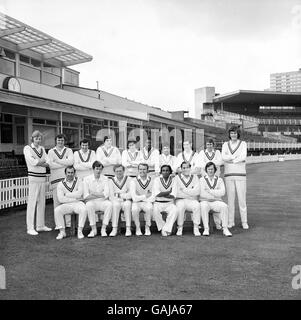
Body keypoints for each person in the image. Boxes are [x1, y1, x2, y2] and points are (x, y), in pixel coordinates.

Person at [23, 130, 52, 235]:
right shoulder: (27, 148)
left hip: (42, 178)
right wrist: (42, 163)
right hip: (33, 178)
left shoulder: (42, 149)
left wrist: (41, 163)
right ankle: (30, 228)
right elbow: (32, 161)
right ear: (32, 139)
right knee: (32, 202)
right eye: (36, 138)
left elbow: (48, 161)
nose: (38, 140)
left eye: (39, 138)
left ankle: (40, 226)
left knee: (42, 202)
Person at [221, 126, 248, 229]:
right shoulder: (225, 144)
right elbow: (224, 157)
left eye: (235, 133)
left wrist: (231, 160)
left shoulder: (243, 144)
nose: (233, 135)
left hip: (240, 174)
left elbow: (243, 156)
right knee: (230, 200)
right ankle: (230, 221)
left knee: (242, 199)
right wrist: (234, 158)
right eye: (232, 133)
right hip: (228, 174)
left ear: (238, 134)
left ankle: (244, 221)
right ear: (229, 134)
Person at [48, 134, 74, 229]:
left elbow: (70, 162)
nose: (60, 142)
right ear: (56, 141)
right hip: (55, 180)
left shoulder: (69, 150)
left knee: (67, 201)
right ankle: (58, 224)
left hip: (66, 180)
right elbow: (51, 165)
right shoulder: (51, 151)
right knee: (57, 202)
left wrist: (57, 161)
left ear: (64, 141)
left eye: (62, 140)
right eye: (58, 140)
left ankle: (68, 223)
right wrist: (64, 163)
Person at [199, 162, 232, 237]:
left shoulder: (219, 180)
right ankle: (206, 229)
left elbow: (222, 192)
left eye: (212, 169)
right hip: (205, 201)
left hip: (216, 201)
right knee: (204, 206)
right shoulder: (201, 180)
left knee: (224, 206)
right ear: (206, 170)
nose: (210, 171)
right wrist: (216, 193)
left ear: (215, 170)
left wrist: (210, 191)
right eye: (209, 169)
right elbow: (202, 194)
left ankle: (225, 228)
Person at [55, 166, 87, 240]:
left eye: (72, 172)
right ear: (65, 173)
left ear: (74, 173)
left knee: (84, 209)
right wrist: (74, 198)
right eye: (68, 172)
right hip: (67, 204)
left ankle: (80, 231)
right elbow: (60, 199)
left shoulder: (79, 181)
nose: (70, 174)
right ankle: (62, 232)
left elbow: (80, 193)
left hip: (78, 203)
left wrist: (67, 195)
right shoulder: (60, 184)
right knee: (57, 210)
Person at [83, 161, 113, 237]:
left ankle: (104, 228)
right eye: (97, 169)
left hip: (102, 202)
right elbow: (86, 196)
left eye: (100, 169)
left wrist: (93, 193)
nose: (98, 171)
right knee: (89, 205)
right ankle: (93, 229)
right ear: (93, 169)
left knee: (109, 204)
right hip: (92, 202)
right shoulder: (86, 179)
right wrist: (100, 195)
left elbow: (106, 194)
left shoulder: (105, 178)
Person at [172, 161, 201, 236]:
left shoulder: (195, 177)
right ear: (181, 169)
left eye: (187, 167)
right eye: (184, 168)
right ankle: (180, 227)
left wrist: (184, 190)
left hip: (192, 200)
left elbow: (197, 192)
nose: (186, 169)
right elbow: (176, 193)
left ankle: (196, 227)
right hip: (180, 200)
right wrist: (191, 193)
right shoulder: (176, 178)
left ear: (190, 168)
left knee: (197, 205)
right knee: (180, 206)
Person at [151, 165, 178, 236]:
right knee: (155, 211)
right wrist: (169, 192)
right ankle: (165, 228)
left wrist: (162, 194)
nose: (165, 172)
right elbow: (157, 194)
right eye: (163, 170)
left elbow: (173, 196)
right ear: (161, 172)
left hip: (169, 203)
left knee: (175, 210)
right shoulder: (157, 180)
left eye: (167, 170)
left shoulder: (174, 180)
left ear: (170, 172)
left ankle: (165, 228)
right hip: (158, 203)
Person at [130, 163, 154, 236]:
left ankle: (147, 227)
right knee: (134, 209)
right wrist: (145, 196)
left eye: (144, 169)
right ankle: (138, 227)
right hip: (137, 202)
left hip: (147, 202)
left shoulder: (152, 180)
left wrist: (141, 198)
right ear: (138, 170)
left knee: (149, 208)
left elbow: (153, 196)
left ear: (147, 170)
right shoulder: (133, 181)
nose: (142, 171)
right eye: (140, 169)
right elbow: (134, 197)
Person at [109, 164, 132, 237]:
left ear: (124, 171)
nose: (119, 173)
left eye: (120, 171)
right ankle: (114, 228)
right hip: (116, 201)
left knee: (127, 205)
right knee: (115, 205)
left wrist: (119, 195)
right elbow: (111, 195)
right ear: (114, 172)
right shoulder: (111, 180)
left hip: (126, 200)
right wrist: (123, 195)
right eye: (117, 171)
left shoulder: (129, 179)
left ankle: (128, 228)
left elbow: (131, 194)